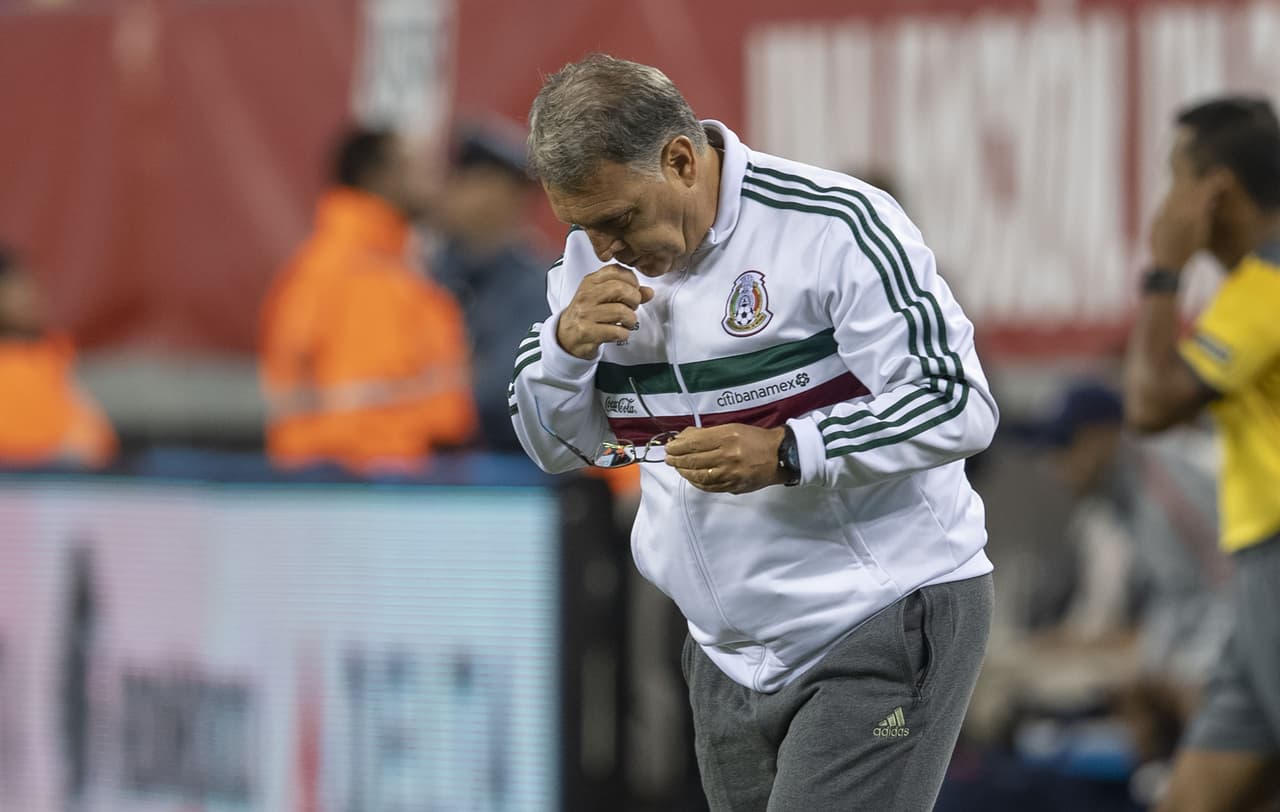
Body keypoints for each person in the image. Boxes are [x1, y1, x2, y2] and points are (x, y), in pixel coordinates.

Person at [508, 54, 999, 810]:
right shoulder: (586, 263)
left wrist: (789, 450)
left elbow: (957, 399)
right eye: (581, 226)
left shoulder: (833, 225)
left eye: (619, 220)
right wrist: (564, 350)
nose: (603, 248)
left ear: (679, 160)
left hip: (876, 613)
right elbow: (560, 447)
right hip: (724, 656)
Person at [1123, 95, 1280, 811]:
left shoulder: (1265, 290)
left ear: (1214, 191)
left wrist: (1163, 270)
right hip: (1255, 571)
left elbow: (1150, 406)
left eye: (1174, 177)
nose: (1166, 202)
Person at [260, 127, 476, 476]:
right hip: (368, 490)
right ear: (378, 176)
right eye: (417, 167)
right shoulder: (359, 274)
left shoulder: (375, 265)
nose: (434, 181)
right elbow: (367, 417)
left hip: (363, 486)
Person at [431, 122, 553, 453]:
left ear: (507, 195)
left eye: (471, 181)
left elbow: (508, 394)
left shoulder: (538, 287)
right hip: (412, 477)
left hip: (509, 482)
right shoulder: (427, 274)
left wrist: (426, 393)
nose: (451, 191)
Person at [0, 245, 116, 469]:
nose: (27, 302)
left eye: (29, 290)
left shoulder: (50, 356)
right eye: (13, 293)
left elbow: (93, 435)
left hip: (52, 478)